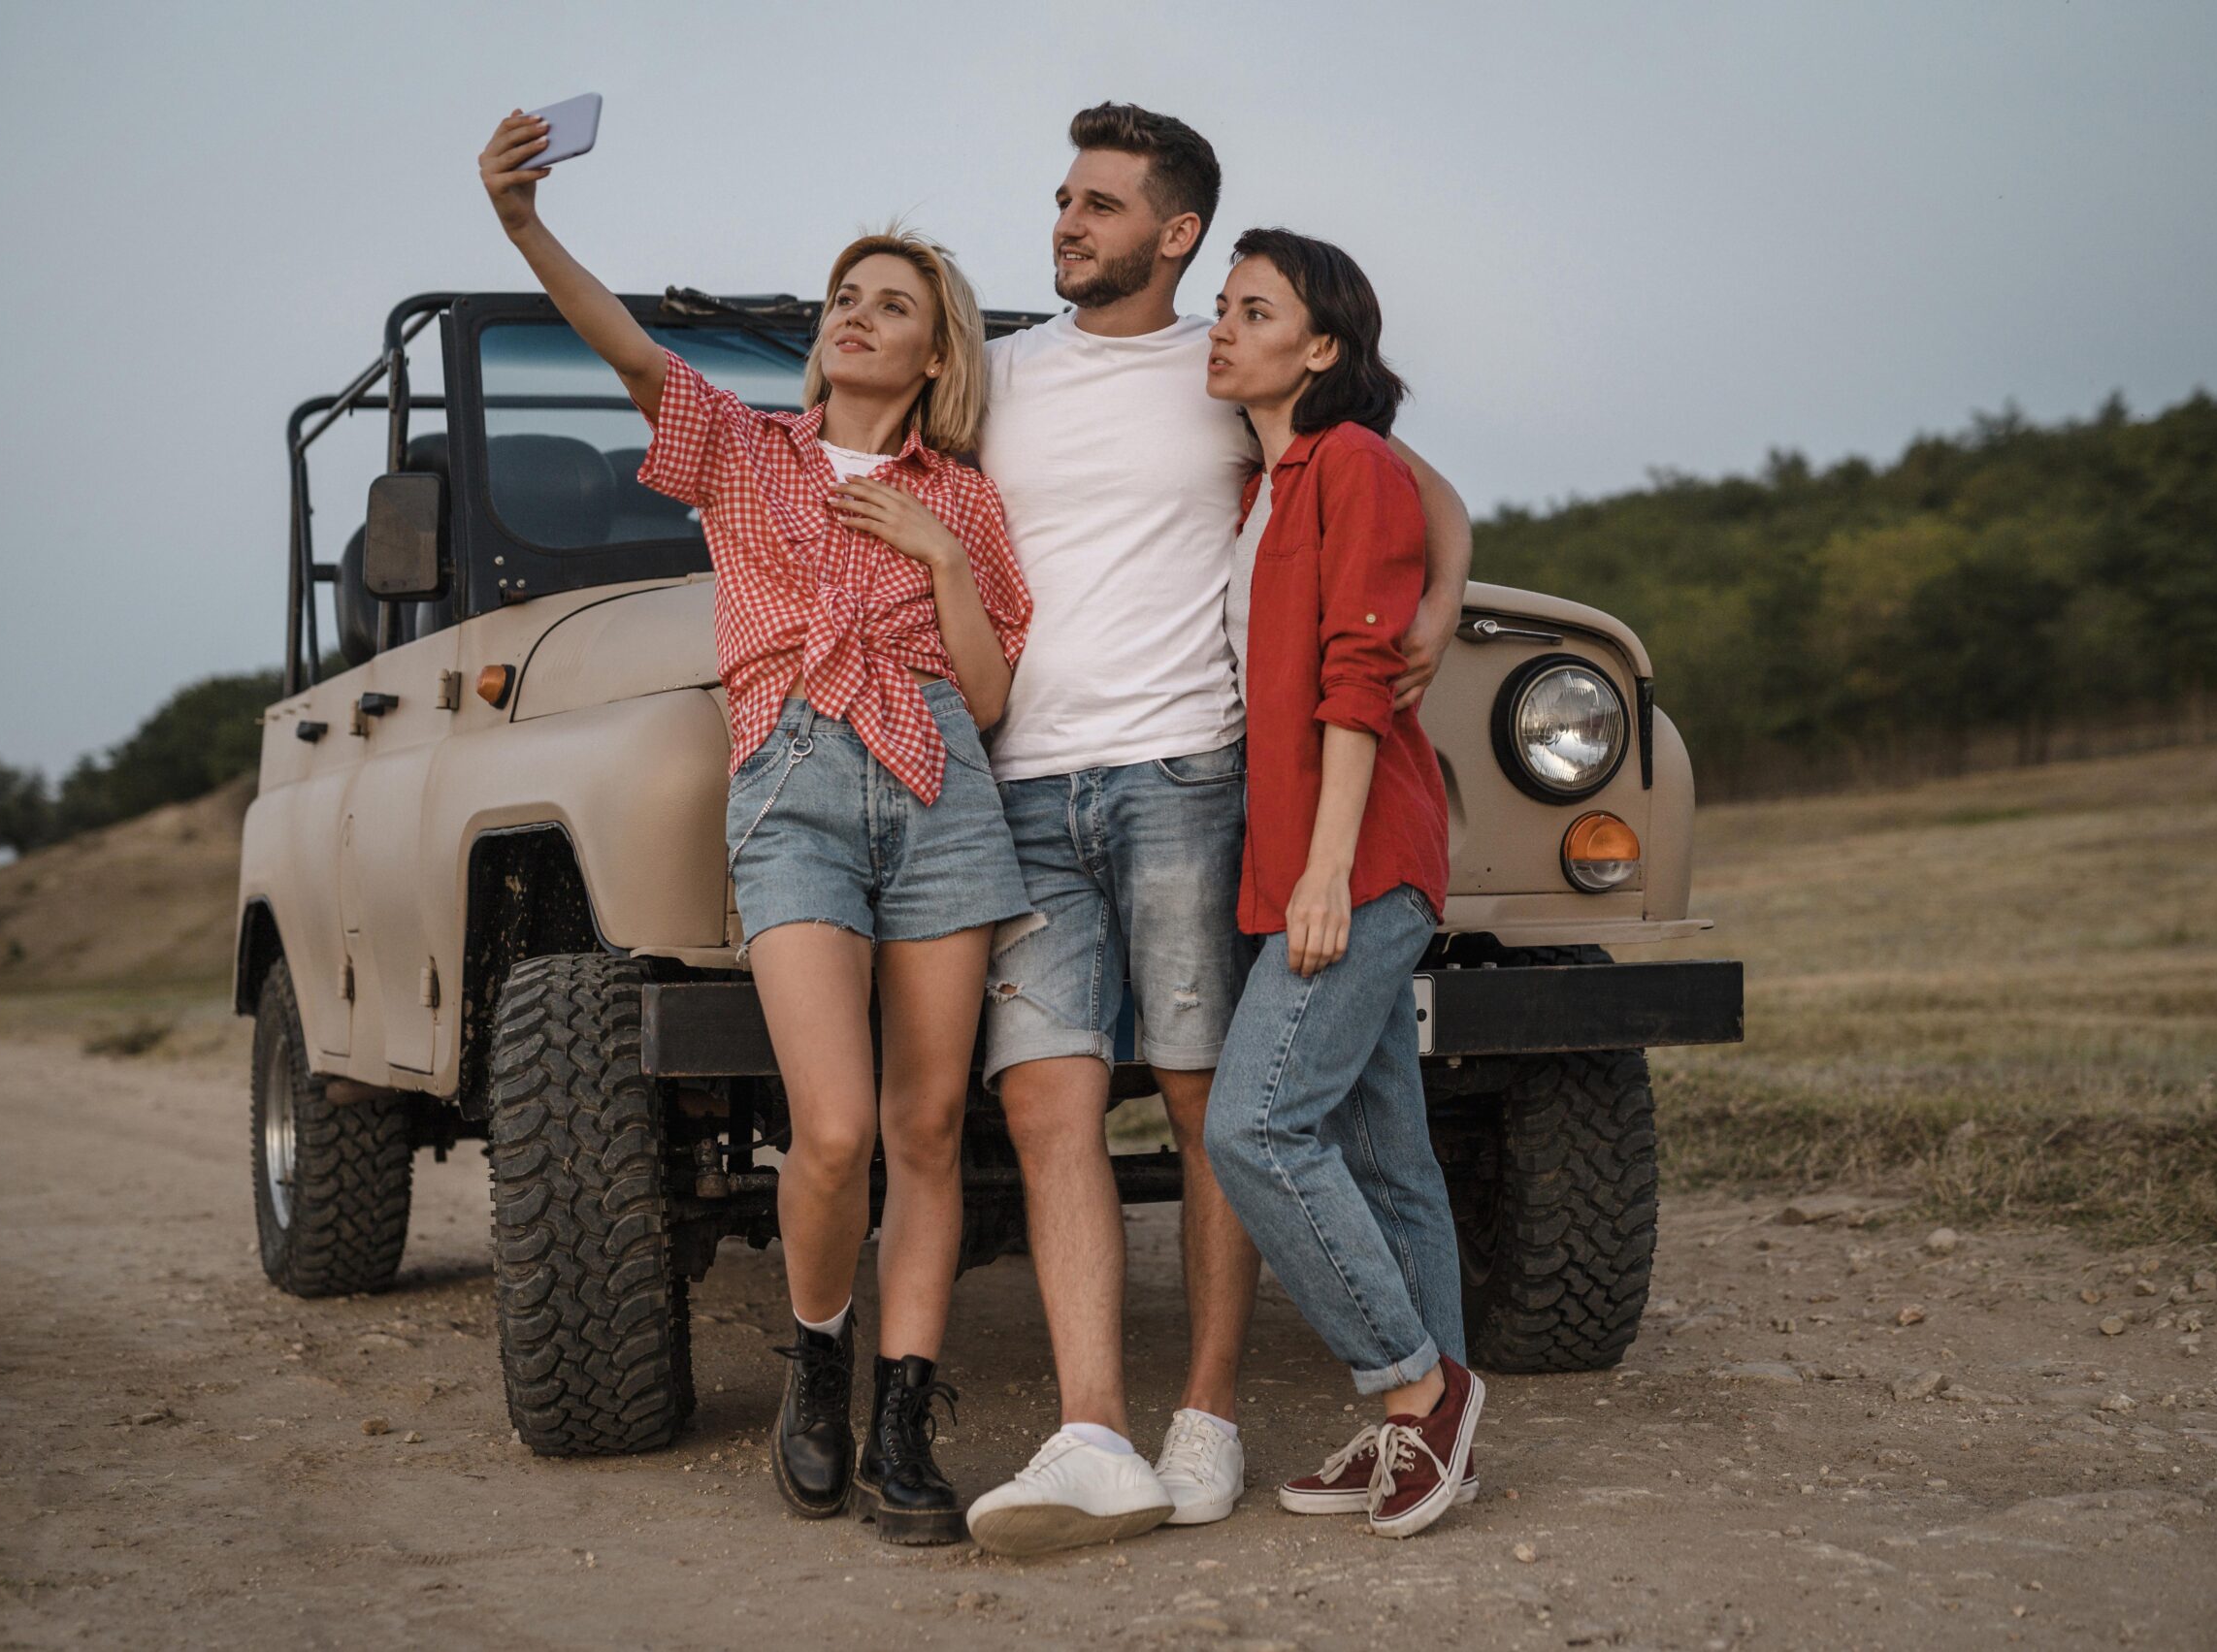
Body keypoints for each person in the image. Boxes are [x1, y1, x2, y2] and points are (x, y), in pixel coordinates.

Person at [477, 112, 1035, 1545]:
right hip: (794, 784)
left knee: (928, 1126)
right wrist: (527, 225)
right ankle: (820, 1356)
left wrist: (938, 564)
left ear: (933, 356)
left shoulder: (962, 497)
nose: (857, 316)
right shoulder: (746, 453)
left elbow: (983, 693)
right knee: (835, 1128)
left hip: (937, 792)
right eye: (846, 297)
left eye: (890, 305)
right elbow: (627, 352)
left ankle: (906, 1420)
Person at [962, 104, 1472, 1556]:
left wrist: (1435, 609)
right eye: (1062, 195)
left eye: (1103, 202)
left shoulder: (1278, 413)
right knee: (1360, 1148)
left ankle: (1333, 1407)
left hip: (1237, 809)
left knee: (1236, 1117)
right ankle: (1125, 1432)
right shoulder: (1035, 383)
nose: (1068, 220)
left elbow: (1409, 503)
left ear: (1172, 233)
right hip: (1071, 795)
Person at [1199, 228, 1477, 1539]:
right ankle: (1428, 1444)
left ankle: (1420, 1393)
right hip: (1313, 867)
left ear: (1320, 348)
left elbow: (1358, 683)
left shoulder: (1350, 463)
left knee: (1253, 1128)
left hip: (1356, 861)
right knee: (1385, 1153)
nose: (1223, 327)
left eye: (1253, 310)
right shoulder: (1275, 481)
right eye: (1220, 306)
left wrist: (1323, 876)